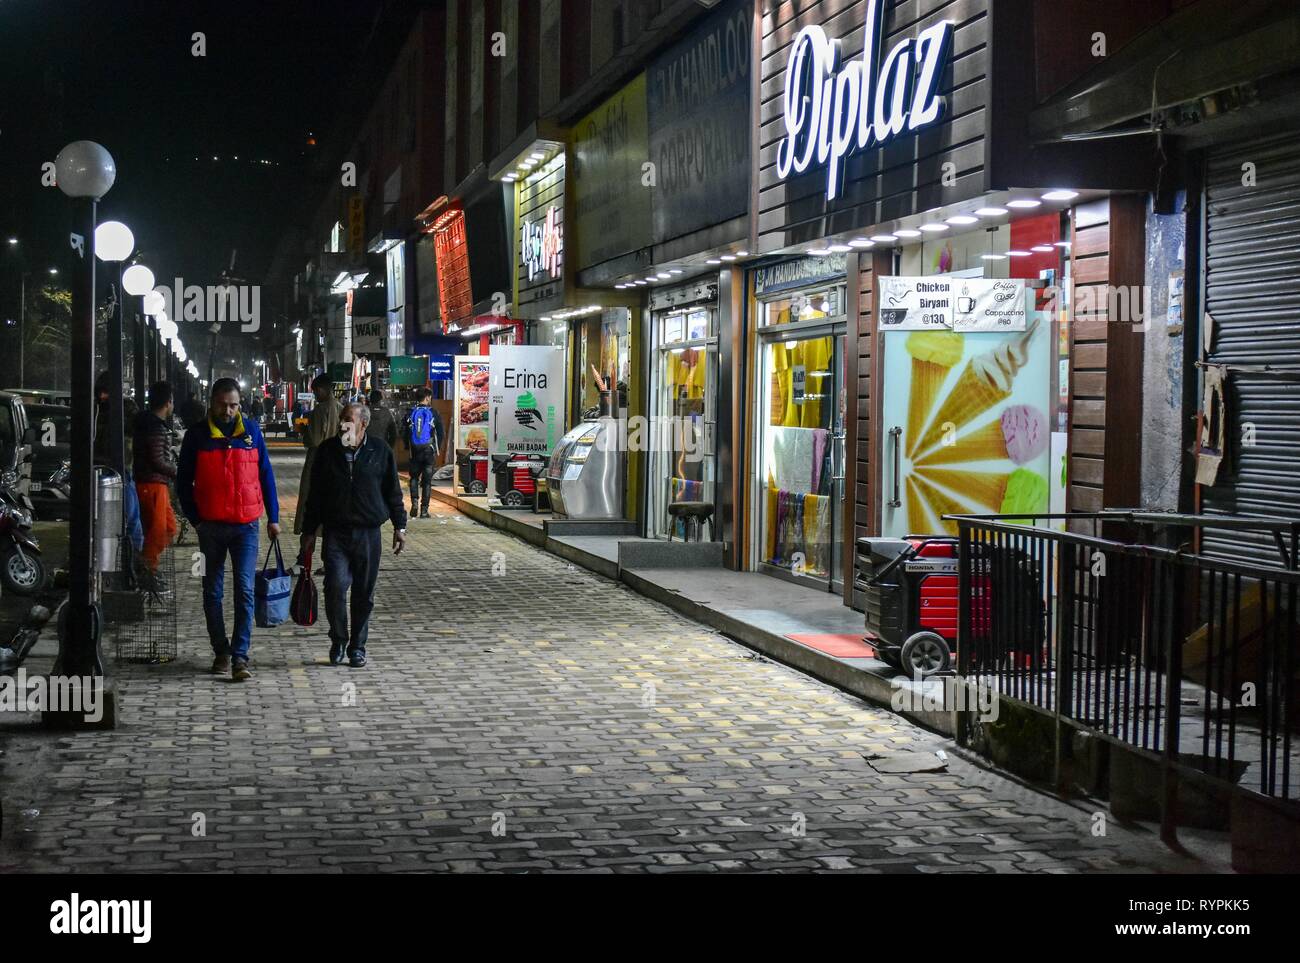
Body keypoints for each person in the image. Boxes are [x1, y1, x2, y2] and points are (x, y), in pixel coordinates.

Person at [177, 378, 280, 681]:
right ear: (212, 402)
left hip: (246, 526)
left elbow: (266, 475)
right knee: (212, 591)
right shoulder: (197, 436)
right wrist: (196, 519)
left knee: (245, 590)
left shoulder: (251, 432)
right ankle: (220, 650)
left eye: (234, 405)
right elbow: (183, 482)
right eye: (223, 404)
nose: (229, 410)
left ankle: (240, 656)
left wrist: (273, 517)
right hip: (210, 528)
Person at [299, 402, 406, 667]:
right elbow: (315, 496)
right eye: (341, 419)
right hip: (336, 532)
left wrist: (399, 526)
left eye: (348, 419)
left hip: (369, 533)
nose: (342, 424)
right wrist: (309, 531)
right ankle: (338, 639)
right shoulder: (327, 451)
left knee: (364, 593)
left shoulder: (379, 451)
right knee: (334, 587)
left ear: (363, 424)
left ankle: (358, 647)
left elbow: (392, 490)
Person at [132, 381, 178, 578]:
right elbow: (158, 460)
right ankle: (146, 571)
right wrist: (178, 471)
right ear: (168, 402)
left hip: (155, 483)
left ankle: (147, 564)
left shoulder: (148, 423)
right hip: (152, 484)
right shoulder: (155, 428)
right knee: (157, 531)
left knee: (168, 527)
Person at [294, 373, 341, 537]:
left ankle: (304, 556)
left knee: (310, 503)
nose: (315, 395)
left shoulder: (319, 411)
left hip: (317, 460)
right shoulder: (342, 409)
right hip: (338, 461)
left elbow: (313, 439)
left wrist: (303, 428)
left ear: (321, 390)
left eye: (315, 392)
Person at [406, 387, 443, 518]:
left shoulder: (410, 412)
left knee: (414, 478)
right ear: (427, 397)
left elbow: (405, 432)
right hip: (428, 451)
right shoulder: (434, 412)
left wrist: (408, 447)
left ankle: (414, 502)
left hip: (415, 451)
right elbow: (441, 432)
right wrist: (437, 448)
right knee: (427, 482)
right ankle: (424, 510)